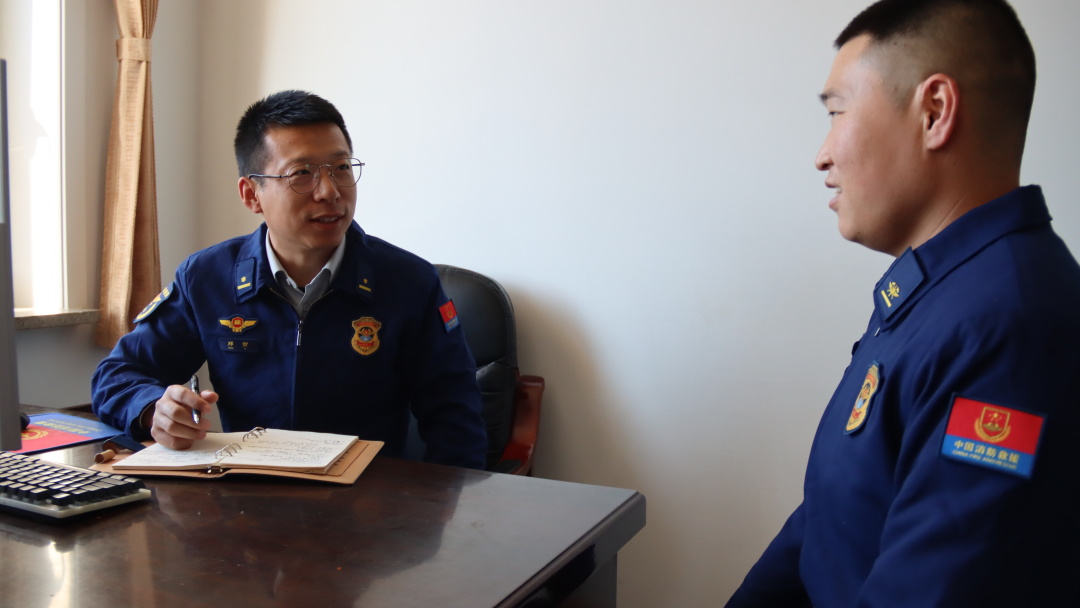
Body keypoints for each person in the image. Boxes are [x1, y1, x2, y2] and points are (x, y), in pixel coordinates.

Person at [728, 0, 1080, 605]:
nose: (822, 154)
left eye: (837, 112)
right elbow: (829, 520)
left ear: (935, 112)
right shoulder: (941, 294)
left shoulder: (1010, 327)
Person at [92, 90, 488, 470]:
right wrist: (154, 410)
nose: (330, 191)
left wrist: (437, 507)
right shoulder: (207, 278)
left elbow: (457, 418)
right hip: (247, 498)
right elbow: (116, 377)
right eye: (302, 173)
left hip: (369, 501)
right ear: (252, 195)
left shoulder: (409, 282)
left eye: (341, 168)